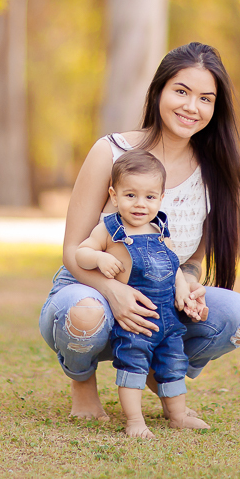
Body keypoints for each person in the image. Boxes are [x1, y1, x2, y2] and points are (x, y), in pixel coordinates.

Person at [39, 41, 240, 424]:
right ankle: (82, 383)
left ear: (215, 108)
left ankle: (161, 373)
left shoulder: (214, 173)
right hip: (90, 287)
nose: (192, 107)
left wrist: (186, 284)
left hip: (161, 299)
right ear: (159, 91)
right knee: (86, 314)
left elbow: (191, 258)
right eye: (181, 91)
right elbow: (72, 249)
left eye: (206, 98)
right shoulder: (111, 152)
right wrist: (114, 291)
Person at [76, 149, 209, 438]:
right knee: (133, 366)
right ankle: (135, 420)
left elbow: (172, 262)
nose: (140, 204)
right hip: (135, 317)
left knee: (173, 364)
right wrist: (99, 259)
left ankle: (177, 416)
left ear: (161, 198)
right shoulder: (110, 229)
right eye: (130, 195)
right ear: (114, 195)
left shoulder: (160, 227)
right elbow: (81, 252)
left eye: (149, 197)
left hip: (168, 318)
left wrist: (182, 288)